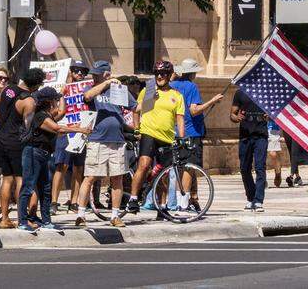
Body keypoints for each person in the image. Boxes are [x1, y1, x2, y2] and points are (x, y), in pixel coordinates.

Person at [16, 87, 91, 232]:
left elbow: (61, 113)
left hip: (43, 154)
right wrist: (79, 129)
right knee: (28, 186)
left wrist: (62, 94)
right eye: (55, 100)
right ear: (50, 102)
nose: (57, 103)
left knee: (45, 188)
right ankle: (22, 221)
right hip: (33, 153)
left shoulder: (47, 115)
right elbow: (58, 129)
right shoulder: (39, 116)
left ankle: (46, 221)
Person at [73, 62, 131, 227]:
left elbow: (135, 106)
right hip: (97, 139)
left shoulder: (119, 91)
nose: (93, 76)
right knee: (90, 176)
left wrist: (149, 99)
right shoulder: (93, 89)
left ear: (106, 73)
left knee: (117, 178)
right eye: (93, 74)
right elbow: (87, 97)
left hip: (117, 140)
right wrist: (106, 83)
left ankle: (115, 215)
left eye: (97, 74)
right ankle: (81, 214)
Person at [127, 61, 186, 215]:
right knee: (144, 164)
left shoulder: (177, 96)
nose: (160, 76)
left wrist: (182, 138)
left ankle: (162, 205)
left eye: (163, 74)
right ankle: (133, 199)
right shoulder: (149, 90)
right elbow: (135, 111)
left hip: (167, 138)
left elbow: (180, 119)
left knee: (163, 175)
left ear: (169, 75)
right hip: (149, 133)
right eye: (157, 74)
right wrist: (137, 130)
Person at [0, 67, 43, 229]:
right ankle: (23, 218)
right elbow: (28, 126)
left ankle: (5, 218)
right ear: (35, 86)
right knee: (21, 179)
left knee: (6, 179)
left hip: (0, 138)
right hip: (16, 141)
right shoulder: (29, 101)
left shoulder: (8, 89)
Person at [170, 58, 223, 210]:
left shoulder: (172, 86)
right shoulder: (191, 87)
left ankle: (180, 200)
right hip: (191, 132)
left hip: (174, 131)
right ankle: (184, 202)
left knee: (178, 167)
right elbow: (194, 110)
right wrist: (211, 102)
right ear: (192, 73)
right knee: (189, 167)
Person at [50, 60, 89, 213]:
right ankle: (54, 201)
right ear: (71, 72)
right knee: (62, 166)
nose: (80, 74)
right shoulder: (63, 89)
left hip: (82, 131)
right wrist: (61, 94)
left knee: (79, 168)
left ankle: (74, 202)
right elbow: (55, 113)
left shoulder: (87, 89)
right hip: (66, 130)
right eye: (77, 71)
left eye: (83, 72)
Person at [231, 85, 268, 212]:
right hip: (245, 136)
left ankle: (258, 200)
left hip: (261, 135)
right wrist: (237, 118)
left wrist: (270, 116)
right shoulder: (240, 93)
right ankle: (251, 197)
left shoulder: (265, 92)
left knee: (260, 167)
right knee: (244, 168)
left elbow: (274, 112)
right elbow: (232, 114)